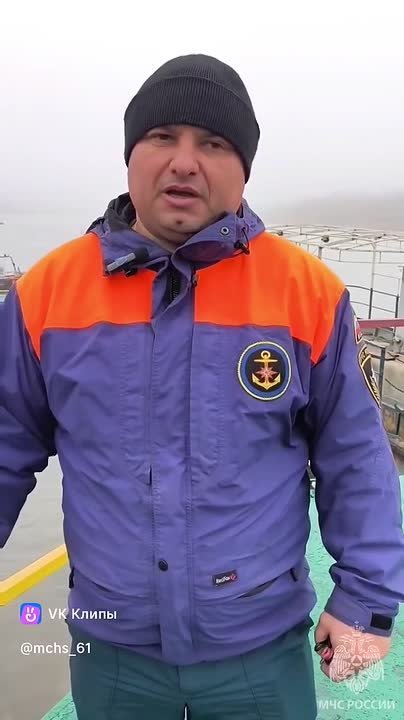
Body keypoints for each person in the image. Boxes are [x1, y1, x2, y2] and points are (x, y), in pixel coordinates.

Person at [1, 53, 404, 720]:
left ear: (244, 168)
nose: (184, 162)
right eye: (163, 137)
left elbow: (356, 457)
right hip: (111, 650)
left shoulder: (306, 294)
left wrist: (365, 601)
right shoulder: (46, 294)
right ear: (130, 156)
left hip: (261, 651)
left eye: (213, 144)